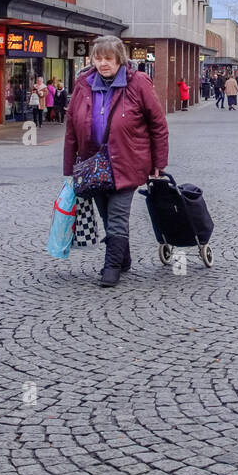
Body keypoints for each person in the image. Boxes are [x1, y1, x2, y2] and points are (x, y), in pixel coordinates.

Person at [64, 35, 168, 288]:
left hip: (127, 161)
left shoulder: (137, 83)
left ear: (120, 59)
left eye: (108, 58)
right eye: (98, 58)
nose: (103, 63)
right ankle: (123, 258)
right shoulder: (83, 83)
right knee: (108, 217)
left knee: (118, 216)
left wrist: (159, 163)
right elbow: (71, 126)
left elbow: (158, 124)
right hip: (93, 164)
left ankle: (110, 267)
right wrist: (70, 167)